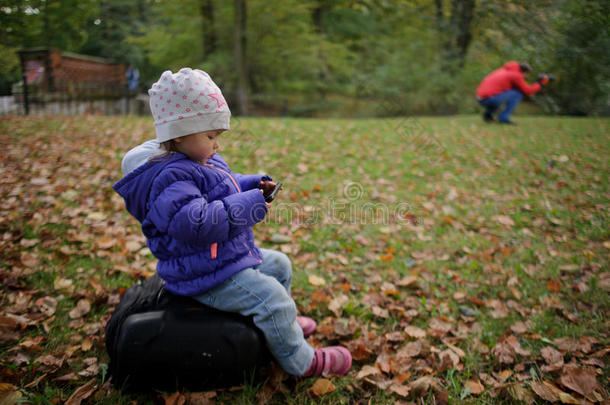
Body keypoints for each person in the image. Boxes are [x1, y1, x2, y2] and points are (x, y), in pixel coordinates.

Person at [113, 67, 352, 378]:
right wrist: (250, 205)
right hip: (203, 274)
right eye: (211, 136)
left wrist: (253, 185)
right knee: (272, 299)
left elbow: (223, 187)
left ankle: (283, 327)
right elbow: (196, 223)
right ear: (181, 133)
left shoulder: (198, 159)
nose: (217, 145)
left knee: (279, 265)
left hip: (219, 259)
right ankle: (300, 361)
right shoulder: (168, 178)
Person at [476, 61, 550, 124]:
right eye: (526, 75)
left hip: (480, 98)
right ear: (525, 72)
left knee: (504, 94)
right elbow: (528, 91)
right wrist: (541, 83)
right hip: (489, 99)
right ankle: (503, 118)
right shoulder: (516, 75)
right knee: (517, 94)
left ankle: (488, 115)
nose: (524, 77)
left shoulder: (503, 70)